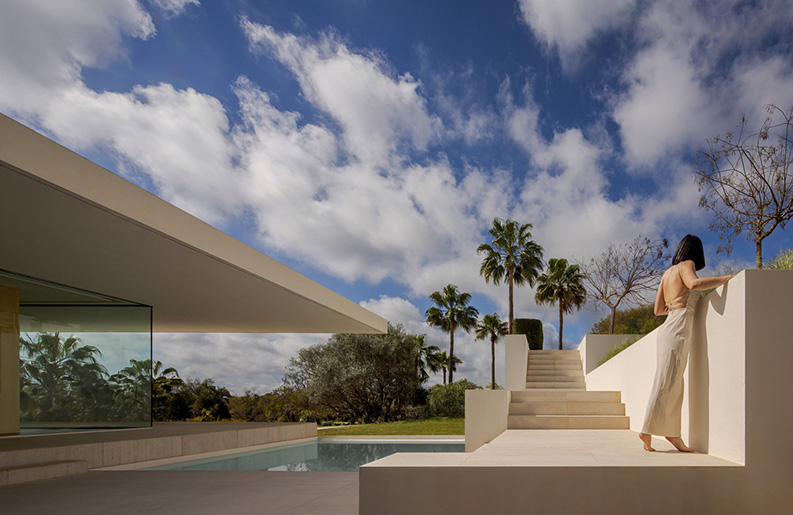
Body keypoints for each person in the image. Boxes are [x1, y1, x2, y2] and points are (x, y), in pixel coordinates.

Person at [639, 235, 734, 452]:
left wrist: (677, 303)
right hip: (679, 325)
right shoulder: (687, 265)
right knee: (667, 381)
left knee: (673, 382)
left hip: (669, 325)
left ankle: (672, 434)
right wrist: (725, 278)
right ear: (695, 252)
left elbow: (658, 310)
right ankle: (647, 429)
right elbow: (694, 283)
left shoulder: (666, 273)